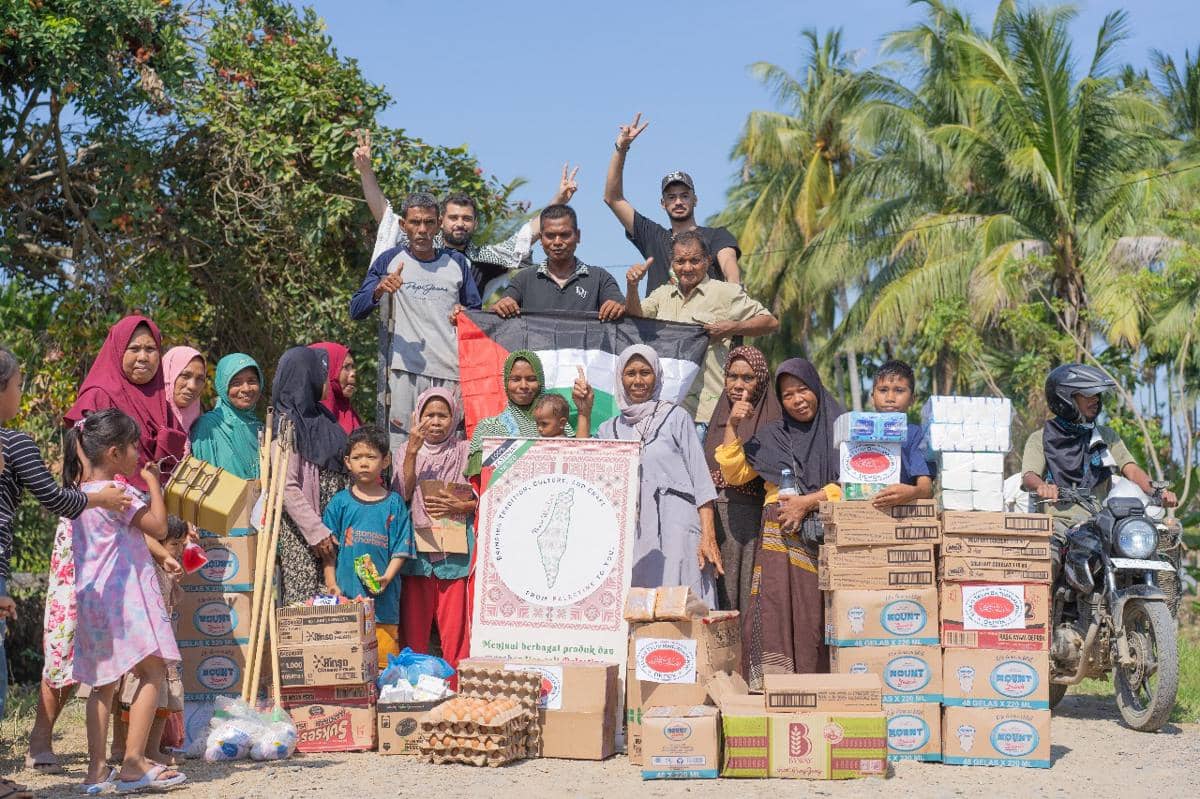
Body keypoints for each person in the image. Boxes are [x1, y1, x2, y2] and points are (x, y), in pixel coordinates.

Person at [0, 348, 130, 770]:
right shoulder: (15, 442)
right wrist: (100, 497)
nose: (22, 394)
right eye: (19, 385)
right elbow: (57, 499)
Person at [64, 409, 186, 794]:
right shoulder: (120, 494)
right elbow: (160, 527)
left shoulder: (79, 495)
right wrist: (153, 483)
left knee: (103, 685)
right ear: (114, 453)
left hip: (94, 602)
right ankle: (134, 762)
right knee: (152, 673)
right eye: (133, 446)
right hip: (128, 600)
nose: (138, 453)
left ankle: (96, 770)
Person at [715, 359, 844, 688]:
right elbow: (734, 472)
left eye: (803, 390)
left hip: (827, 537)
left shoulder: (841, 429)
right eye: (788, 395)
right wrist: (732, 425)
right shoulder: (773, 436)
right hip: (778, 536)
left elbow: (854, 485)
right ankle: (773, 684)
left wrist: (807, 502)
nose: (798, 399)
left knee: (814, 615)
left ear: (815, 387)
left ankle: (818, 684)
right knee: (773, 608)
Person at [354, 127, 579, 296]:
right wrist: (365, 171)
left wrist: (559, 199)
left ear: (475, 224)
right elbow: (386, 217)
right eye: (453, 217)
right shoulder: (420, 247)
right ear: (441, 221)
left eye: (466, 218)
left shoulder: (484, 259)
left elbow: (527, 235)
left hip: (464, 347)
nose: (459, 223)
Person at [350, 192, 482, 449]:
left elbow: (476, 316)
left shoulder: (456, 263)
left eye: (429, 222)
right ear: (403, 225)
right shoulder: (389, 261)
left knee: (449, 449)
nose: (422, 230)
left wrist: (462, 313)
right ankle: (401, 492)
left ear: (439, 223)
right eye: (415, 222)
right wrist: (379, 289)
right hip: (404, 372)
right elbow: (356, 309)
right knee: (403, 447)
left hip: (450, 373)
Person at [594, 345, 723, 606]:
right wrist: (584, 412)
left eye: (645, 372)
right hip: (635, 534)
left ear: (657, 376)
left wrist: (708, 535)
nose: (638, 380)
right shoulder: (609, 429)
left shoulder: (676, 417)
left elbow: (701, 480)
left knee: (684, 601)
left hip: (677, 527)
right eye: (630, 373)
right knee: (639, 603)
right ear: (620, 378)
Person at [1022, 364, 1177, 570]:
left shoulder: (1105, 436)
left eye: (1097, 395)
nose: (1096, 400)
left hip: (1099, 522)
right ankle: (1048, 600)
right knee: (1049, 562)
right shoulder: (1041, 438)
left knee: (1141, 557)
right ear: (1065, 398)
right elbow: (1029, 475)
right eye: (1088, 395)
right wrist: (1042, 486)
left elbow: (1131, 469)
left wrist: (1158, 491)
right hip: (1057, 523)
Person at [625, 230, 778, 432]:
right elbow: (636, 317)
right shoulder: (662, 295)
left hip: (708, 414)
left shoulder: (725, 292)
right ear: (672, 263)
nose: (687, 268)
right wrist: (632, 287)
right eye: (680, 261)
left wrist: (732, 328)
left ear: (707, 261)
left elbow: (770, 322)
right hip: (665, 413)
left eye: (694, 261)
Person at [604, 112, 741, 291]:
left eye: (684, 195)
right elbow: (613, 198)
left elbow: (728, 263)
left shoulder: (716, 236)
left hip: (706, 318)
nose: (678, 201)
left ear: (695, 200)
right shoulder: (653, 236)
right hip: (659, 318)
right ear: (663, 203)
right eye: (671, 197)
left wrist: (734, 288)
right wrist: (621, 149)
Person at [395, 389, 477, 670]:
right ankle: (412, 688)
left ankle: (458, 689)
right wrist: (412, 453)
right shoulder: (404, 450)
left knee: (456, 632)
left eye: (443, 415)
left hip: (454, 555)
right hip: (417, 554)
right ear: (417, 417)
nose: (436, 421)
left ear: (454, 418)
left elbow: (480, 490)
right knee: (414, 631)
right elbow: (401, 494)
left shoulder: (465, 450)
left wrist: (461, 504)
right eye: (428, 414)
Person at [323, 425, 414, 668]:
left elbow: (401, 549)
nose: (364, 463)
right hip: (347, 602)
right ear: (347, 462)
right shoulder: (340, 503)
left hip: (384, 607)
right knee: (346, 664)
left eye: (371, 457)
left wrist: (386, 577)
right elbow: (329, 554)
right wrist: (332, 584)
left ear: (385, 461)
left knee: (383, 665)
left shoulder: (394, 503)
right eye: (357, 457)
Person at [64, 315, 187, 492]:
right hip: (111, 504)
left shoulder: (162, 404)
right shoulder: (98, 396)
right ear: (118, 350)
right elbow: (80, 461)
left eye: (151, 349)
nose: (143, 357)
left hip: (159, 506)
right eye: (134, 348)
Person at [702, 346, 781, 615]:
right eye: (732, 376)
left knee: (749, 596)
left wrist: (735, 425)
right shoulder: (717, 417)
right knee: (720, 596)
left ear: (761, 381)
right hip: (717, 519)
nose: (738, 385)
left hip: (753, 517)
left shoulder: (772, 420)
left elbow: (736, 474)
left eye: (748, 378)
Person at [273, 346, 349, 605]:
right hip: (303, 536)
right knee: (306, 609)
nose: (327, 380)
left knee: (335, 604)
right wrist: (317, 532)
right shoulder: (286, 424)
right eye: (323, 374)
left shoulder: (322, 418)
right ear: (307, 376)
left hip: (331, 531)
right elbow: (286, 486)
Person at [119, 516, 186, 768]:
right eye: (174, 545)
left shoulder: (164, 569)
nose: (178, 551)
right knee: (151, 699)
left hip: (164, 644)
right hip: (151, 645)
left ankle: (152, 748)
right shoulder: (148, 568)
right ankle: (145, 750)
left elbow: (175, 598)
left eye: (181, 545)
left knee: (165, 703)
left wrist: (175, 582)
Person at [491, 205, 625, 321]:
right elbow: (498, 312)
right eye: (550, 235)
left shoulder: (600, 278)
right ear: (541, 239)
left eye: (564, 234)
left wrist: (617, 307)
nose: (557, 242)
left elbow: (624, 310)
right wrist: (503, 305)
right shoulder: (523, 279)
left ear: (577, 236)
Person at [466, 351, 575, 479]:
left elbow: (580, 462)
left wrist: (585, 412)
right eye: (515, 379)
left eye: (531, 379)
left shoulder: (560, 425)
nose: (523, 386)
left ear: (541, 381)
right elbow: (478, 483)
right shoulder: (488, 428)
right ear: (506, 382)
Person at [867, 359, 934, 509]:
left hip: (901, 514)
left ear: (912, 399)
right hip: (864, 511)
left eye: (899, 390)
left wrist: (911, 492)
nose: (890, 398)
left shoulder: (915, 434)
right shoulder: (858, 430)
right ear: (872, 397)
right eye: (883, 390)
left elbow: (926, 488)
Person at [190, 353, 265, 480]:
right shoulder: (208, 427)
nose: (246, 388)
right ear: (223, 386)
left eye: (252, 381)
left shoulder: (262, 429)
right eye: (236, 383)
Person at [309, 342, 362, 436]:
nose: (353, 373)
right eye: (346, 367)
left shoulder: (350, 415)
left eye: (352, 367)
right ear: (328, 370)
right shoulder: (306, 420)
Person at [162, 346, 206, 452]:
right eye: (185, 375)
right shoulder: (150, 420)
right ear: (168, 374)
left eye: (200, 379)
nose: (192, 386)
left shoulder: (203, 427)